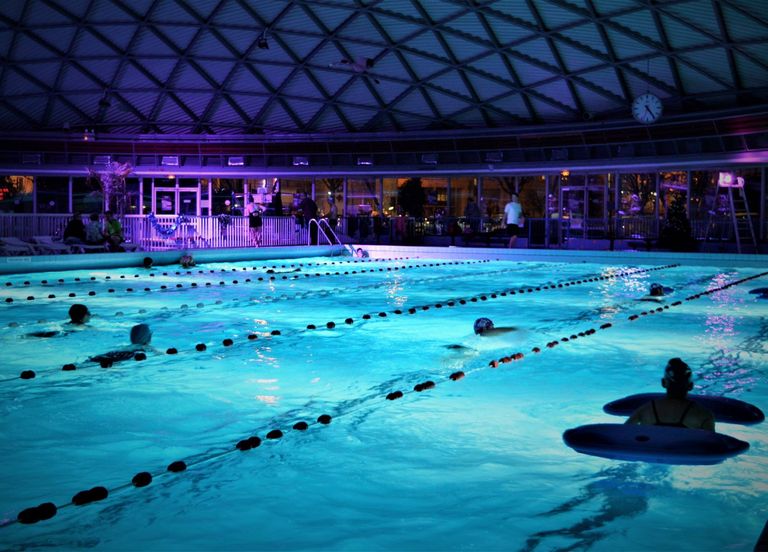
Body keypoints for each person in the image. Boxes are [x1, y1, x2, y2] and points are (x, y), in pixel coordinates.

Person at [626, 358, 715, 431]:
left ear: (663, 383)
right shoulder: (704, 414)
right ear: (691, 386)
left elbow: (623, 433)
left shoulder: (645, 409)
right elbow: (712, 445)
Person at [88, 323, 153, 365]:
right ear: (149, 337)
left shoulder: (127, 346)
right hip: (127, 356)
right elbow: (160, 354)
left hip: (113, 354)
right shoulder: (146, 347)